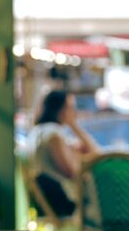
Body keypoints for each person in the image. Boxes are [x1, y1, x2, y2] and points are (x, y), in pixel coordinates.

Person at [26, 90, 99, 218]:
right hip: (63, 202)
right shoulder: (53, 134)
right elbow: (72, 172)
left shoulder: (37, 131)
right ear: (60, 109)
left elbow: (94, 152)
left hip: (46, 201)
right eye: (71, 108)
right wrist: (73, 125)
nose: (75, 113)